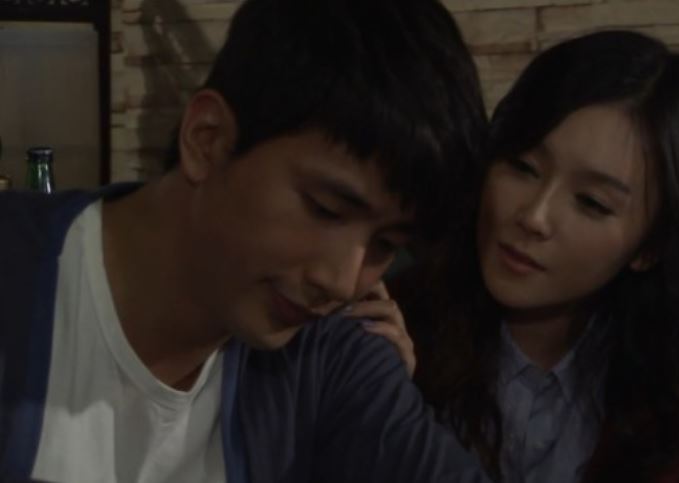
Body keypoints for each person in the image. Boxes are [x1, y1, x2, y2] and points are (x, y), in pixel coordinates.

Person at [0, 0, 491, 481]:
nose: (341, 282)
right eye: (325, 209)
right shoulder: (19, 268)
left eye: (385, 244)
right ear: (207, 138)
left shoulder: (331, 350)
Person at [365, 30, 679, 483]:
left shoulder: (671, 392)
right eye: (523, 166)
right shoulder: (390, 329)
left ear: (649, 247)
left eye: (592, 203)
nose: (534, 217)